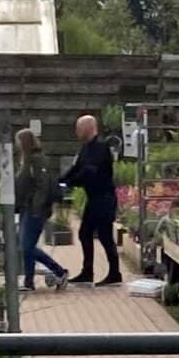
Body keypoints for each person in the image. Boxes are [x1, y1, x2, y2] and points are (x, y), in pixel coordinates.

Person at [59, 115, 121, 286]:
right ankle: (87, 272)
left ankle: (115, 273)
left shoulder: (100, 148)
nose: (76, 132)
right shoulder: (86, 148)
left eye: (79, 128)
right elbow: (76, 168)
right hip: (93, 199)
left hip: (104, 199)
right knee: (85, 233)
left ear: (88, 128)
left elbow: (89, 172)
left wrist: (71, 182)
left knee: (105, 236)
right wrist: (61, 180)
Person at [14, 129, 68, 292]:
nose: (17, 145)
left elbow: (42, 185)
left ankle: (59, 271)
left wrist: (36, 207)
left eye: (18, 142)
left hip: (34, 209)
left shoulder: (35, 160)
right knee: (27, 246)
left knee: (27, 246)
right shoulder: (28, 160)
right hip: (27, 207)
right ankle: (29, 281)